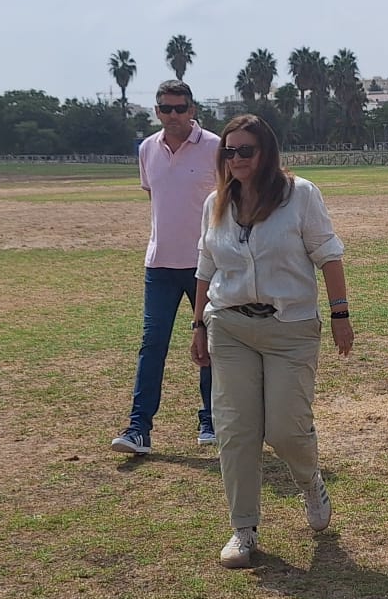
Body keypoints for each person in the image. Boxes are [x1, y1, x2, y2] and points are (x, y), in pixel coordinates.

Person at [190, 115, 353, 568]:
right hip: (230, 327)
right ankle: (243, 529)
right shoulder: (216, 203)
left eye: (246, 150)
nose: (236, 158)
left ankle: (310, 482)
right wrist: (198, 324)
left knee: (285, 429)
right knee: (235, 431)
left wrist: (340, 315)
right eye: (229, 151)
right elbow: (205, 266)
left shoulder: (300, 195)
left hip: (290, 329)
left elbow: (329, 255)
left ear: (267, 153)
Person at [111, 80, 217, 457]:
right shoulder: (147, 149)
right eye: (165, 108)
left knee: (211, 344)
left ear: (192, 109)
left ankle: (212, 420)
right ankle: (138, 429)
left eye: (180, 108)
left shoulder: (215, 147)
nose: (173, 115)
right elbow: (155, 197)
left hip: (206, 264)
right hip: (159, 265)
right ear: (156, 111)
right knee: (152, 344)